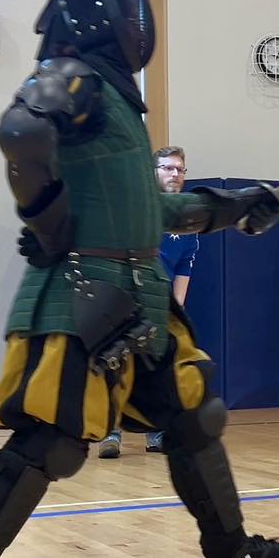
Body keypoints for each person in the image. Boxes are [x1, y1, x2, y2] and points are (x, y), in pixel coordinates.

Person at [0, 0, 279, 558]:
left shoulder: (118, 107)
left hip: (140, 301)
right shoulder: (75, 77)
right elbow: (23, 132)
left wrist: (236, 205)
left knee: (193, 421)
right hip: (78, 296)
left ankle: (231, 551)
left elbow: (152, 209)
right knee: (53, 439)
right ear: (100, 21)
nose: (138, 27)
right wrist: (49, 222)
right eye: (127, 15)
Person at [98, 145, 200, 458]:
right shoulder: (134, 210)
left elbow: (184, 265)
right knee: (117, 367)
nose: (175, 175)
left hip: (161, 304)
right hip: (126, 300)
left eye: (179, 169)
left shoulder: (187, 221)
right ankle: (110, 434)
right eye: (168, 168)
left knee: (159, 369)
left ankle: (156, 434)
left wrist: (176, 309)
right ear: (153, 172)